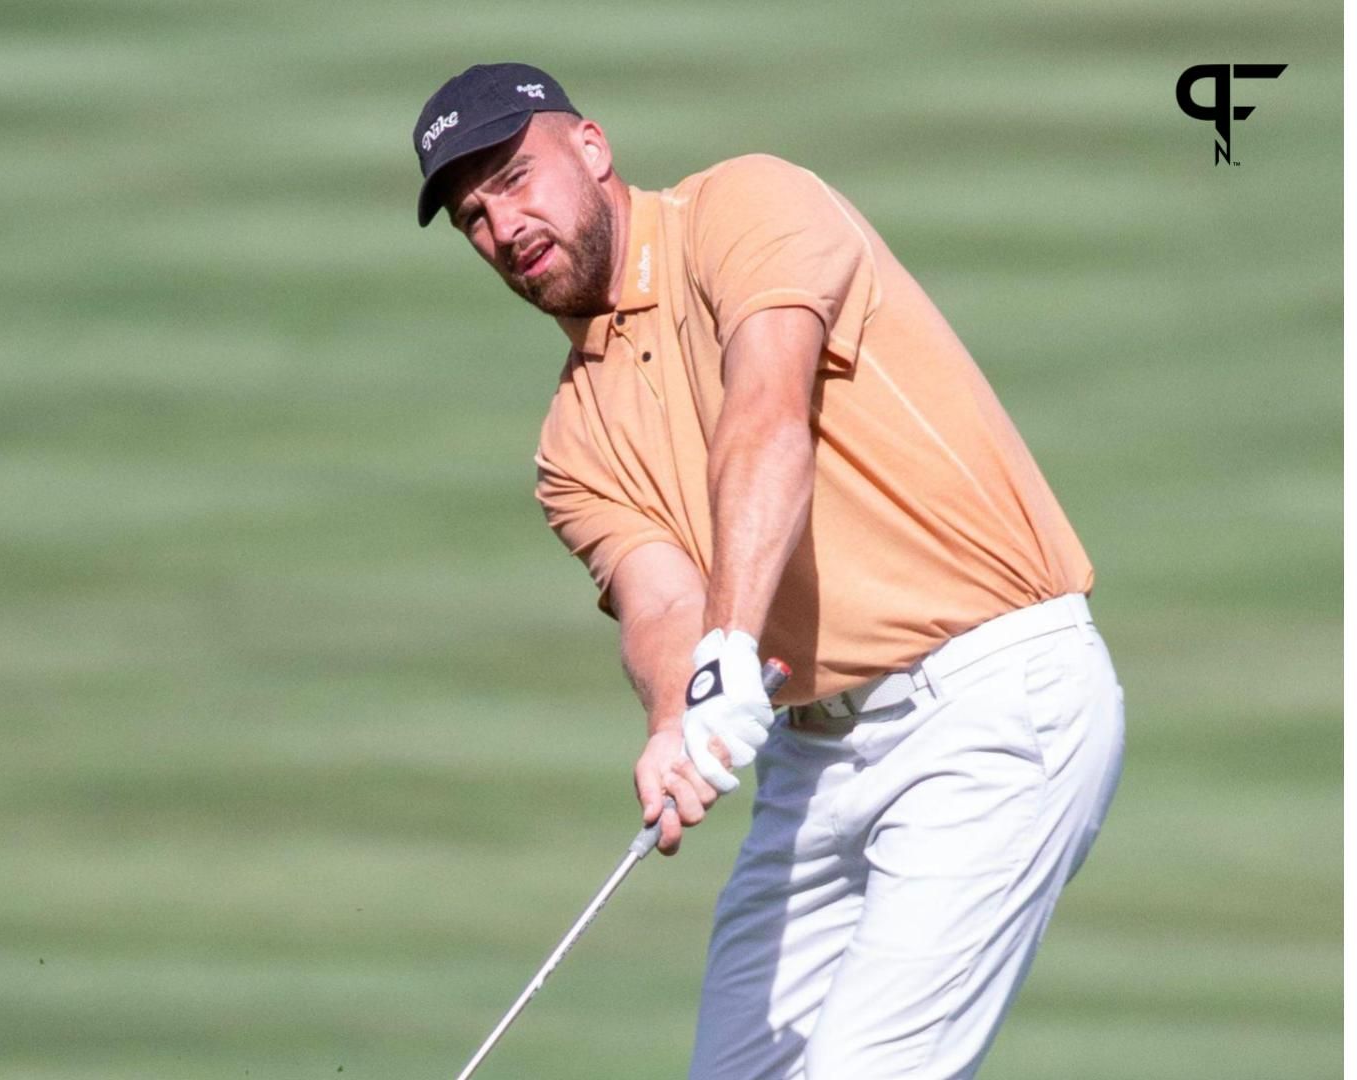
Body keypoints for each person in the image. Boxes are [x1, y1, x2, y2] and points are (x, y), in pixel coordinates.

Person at [409, 63, 1126, 1079]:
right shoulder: (571, 445)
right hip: (813, 757)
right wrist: (675, 717)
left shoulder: (746, 205)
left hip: (991, 702)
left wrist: (729, 653)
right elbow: (659, 597)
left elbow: (766, 414)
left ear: (593, 148)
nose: (503, 224)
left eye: (517, 178)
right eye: (474, 214)